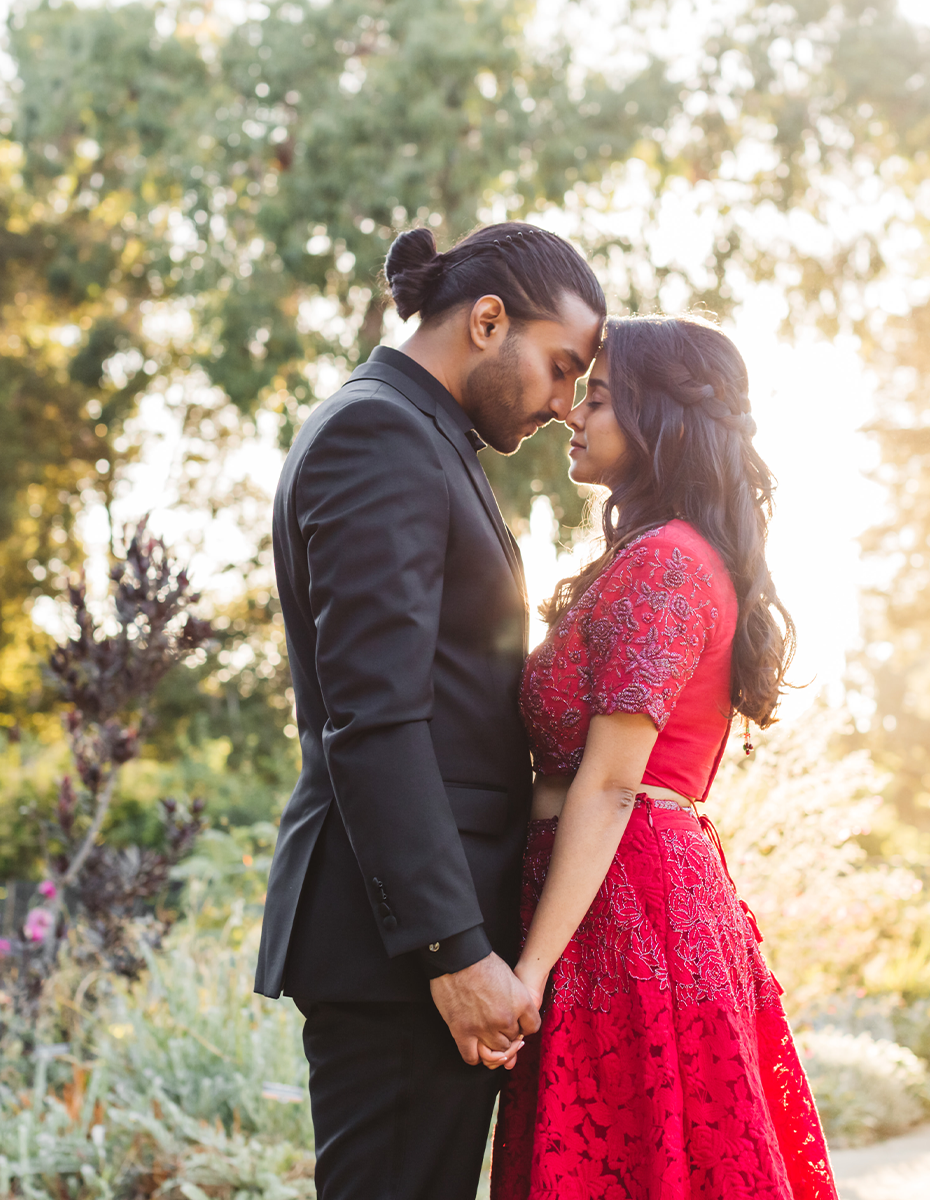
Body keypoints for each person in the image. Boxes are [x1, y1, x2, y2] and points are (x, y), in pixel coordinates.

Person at [252, 221, 605, 1200]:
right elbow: (376, 718)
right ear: (488, 321)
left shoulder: (426, 436)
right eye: (561, 367)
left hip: (417, 942)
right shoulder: (381, 434)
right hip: (400, 951)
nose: (566, 406)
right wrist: (453, 952)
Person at [491, 315, 840, 1199]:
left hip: (625, 911)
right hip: (611, 901)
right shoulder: (656, 556)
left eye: (598, 398)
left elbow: (608, 786)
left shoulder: (670, 564)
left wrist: (526, 975)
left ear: (661, 420)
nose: (571, 411)